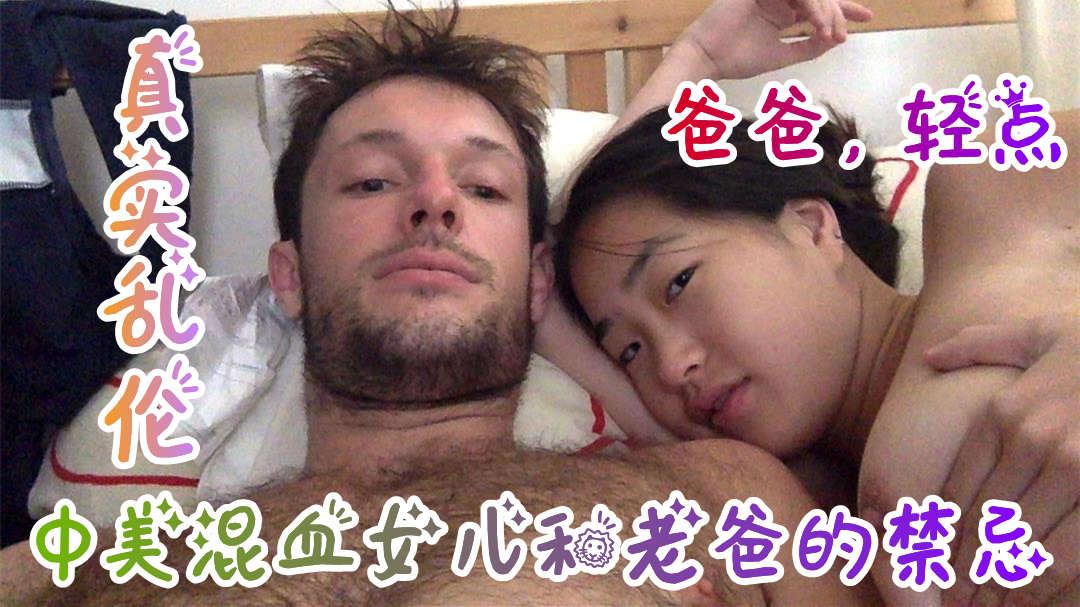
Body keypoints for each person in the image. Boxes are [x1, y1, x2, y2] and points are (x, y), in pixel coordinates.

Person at [0, 1, 884, 604]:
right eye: (372, 180)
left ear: (539, 281)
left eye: (486, 188)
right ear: (289, 276)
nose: (434, 201)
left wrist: (698, 57)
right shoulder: (87, 569)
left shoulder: (726, 501)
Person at [552, 99, 1078, 604]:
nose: (670, 367)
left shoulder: (986, 192)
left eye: (678, 283)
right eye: (629, 352)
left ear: (811, 227)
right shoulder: (791, 513)